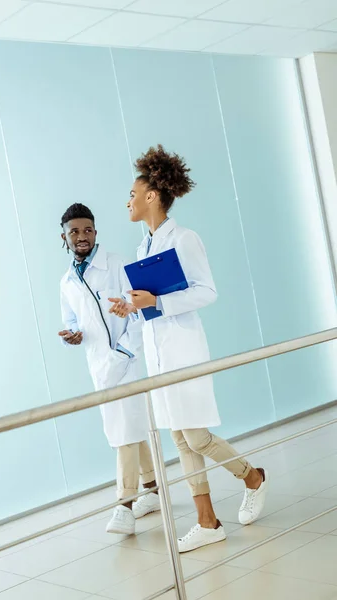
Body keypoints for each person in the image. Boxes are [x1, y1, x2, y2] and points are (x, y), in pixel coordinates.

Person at [109, 145, 269, 552]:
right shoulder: (144, 245)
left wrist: (158, 302)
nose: (127, 200)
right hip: (159, 355)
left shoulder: (184, 238)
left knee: (195, 436)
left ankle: (252, 477)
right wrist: (132, 306)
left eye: (132, 192)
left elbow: (207, 291)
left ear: (151, 196)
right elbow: (151, 300)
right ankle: (207, 521)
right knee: (180, 438)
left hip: (184, 352)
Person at [59, 203, 160, 535]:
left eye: (87, 229)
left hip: (127, 362)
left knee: (123, 433)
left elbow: (137, 307)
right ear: (65, 237)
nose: (82, 236)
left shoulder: (115, 264)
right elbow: (73, 322)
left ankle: (124, 505)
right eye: (75, 231)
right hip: (100, 366)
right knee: (128, 426)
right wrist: (72, 336)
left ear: (95, 232)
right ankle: (154, 489)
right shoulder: (67, 282)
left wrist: (125, 352)